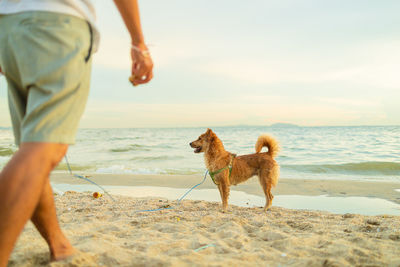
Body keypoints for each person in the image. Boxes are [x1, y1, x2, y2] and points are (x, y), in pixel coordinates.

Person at [0, 0, 153, 265]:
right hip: (57, 24)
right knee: (42, 151)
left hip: (8, 30)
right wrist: (138, 43)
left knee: (33, 152)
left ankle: (58, 244)